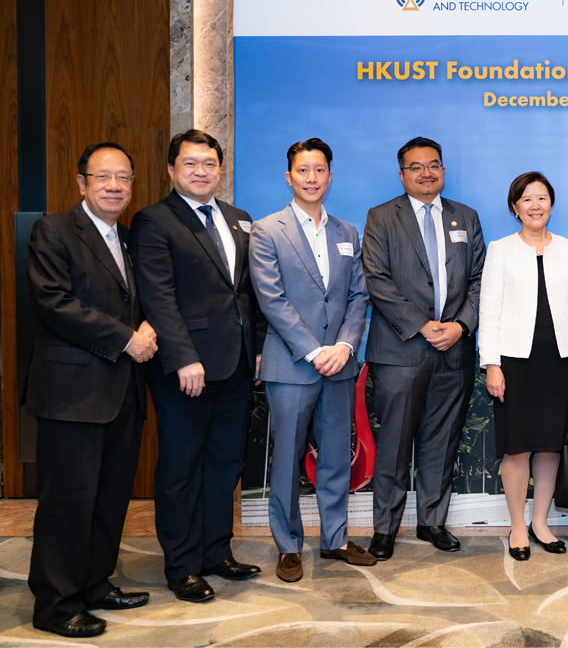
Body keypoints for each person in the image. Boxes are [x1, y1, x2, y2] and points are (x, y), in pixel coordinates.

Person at [24, 143, 156, 638]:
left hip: (122, 391)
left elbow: (136, 301)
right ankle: (56, 605)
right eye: (103, 177)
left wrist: (148, 327)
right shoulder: (54, 230)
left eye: (123, 177)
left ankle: (95, 584)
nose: (114, 186)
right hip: (73, 392)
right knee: (67, 501)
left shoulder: (127, 237)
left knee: (108, 497)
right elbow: (53, 303)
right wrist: (127, 338)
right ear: (82, 183)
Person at [129, 129, 266, 603]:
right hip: (185, 369)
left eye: (209, 163)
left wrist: (258, 348)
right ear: (171, 170)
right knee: (181, 468)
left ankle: (216, 552)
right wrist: (183, 356)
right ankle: (183, 565)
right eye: (190, 163)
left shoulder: (239, 219)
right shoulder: (153, 220)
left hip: (237, 364)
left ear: (220, 169)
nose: (201, 171)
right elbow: (158, 297)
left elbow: (248, 292)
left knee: (224, 464)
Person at [249, 138, 374, 582]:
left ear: (330, 176)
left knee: (336, 457)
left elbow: (358, 297)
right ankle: (288, 546)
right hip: (292, 365)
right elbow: (272, 300)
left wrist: (344, 346)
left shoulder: (347, 232)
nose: (311, 178)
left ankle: (335, 539)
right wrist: (315, 350)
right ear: (289, 177)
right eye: (303, 171)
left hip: (339, 365)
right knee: (287, 461)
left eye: (319, 170)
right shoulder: (267, 230)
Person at [361, 136, 486, 560]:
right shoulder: (382, 216)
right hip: (400, 350)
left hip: (454, 350)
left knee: (441, 442)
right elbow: (376, 279)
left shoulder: (465, 217)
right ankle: (385, 528)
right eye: (416, 167)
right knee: (394, 444)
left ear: (443, 171)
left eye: (433, 165)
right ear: (402, 175)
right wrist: (421, 325)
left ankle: (432, 521)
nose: (426, 173)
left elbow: (480, 280)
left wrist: (461, 326)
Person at [479, 172, 568, 561]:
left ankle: (540, 523)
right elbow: (488, 310)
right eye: (526, 199)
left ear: (551, 204)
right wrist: (491, 364)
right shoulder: (500, 249)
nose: (535, 205)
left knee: (548, 446)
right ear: (515, 208)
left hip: (558, 362)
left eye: (541, 198)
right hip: (514, 363)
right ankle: (517, 527)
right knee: (517, 449)